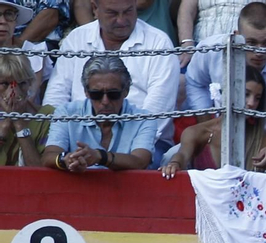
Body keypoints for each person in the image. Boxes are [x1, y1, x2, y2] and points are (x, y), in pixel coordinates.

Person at [184, 2, 266, 171]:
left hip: (265, 142)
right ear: (237, 35)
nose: (259, 51)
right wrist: (207, 125)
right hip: (216, 137)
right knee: (170, 157)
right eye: (251, 43)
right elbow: (195, 82)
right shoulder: (210, 49)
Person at [45, 0, 181, 142]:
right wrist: (58, 137)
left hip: (143, 144)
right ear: (95, 9)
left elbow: (158, 110)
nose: (121, 20)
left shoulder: (159, 43)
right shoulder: (76, 39)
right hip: (77, 140)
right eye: (112, 13)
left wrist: (123, 148)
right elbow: (56, 95)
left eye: (128, 11)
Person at [42, 54, 159, 171]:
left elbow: (140, 162)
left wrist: (99, 156)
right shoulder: (66, 113)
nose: (105, 101)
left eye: (113, 94)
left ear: (126, 91)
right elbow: (48, 157)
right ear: (86, 92)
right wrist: (67, 160)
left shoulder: (144, 119)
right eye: (96, 94)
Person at [161, 68, 266, 175]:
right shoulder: (198, 132)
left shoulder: (262, 138)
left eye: (257, 98)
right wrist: (175, 164)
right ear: (229, 92)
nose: (251, 103)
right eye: (246, 94)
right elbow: (183, 154)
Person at [0, 52, 50, 166]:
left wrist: (19, 123)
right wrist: (4, 128)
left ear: (29, 84)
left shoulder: (47, 115)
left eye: (21, 83)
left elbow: (39, 172)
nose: (13, 92)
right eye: (5, 84)